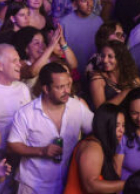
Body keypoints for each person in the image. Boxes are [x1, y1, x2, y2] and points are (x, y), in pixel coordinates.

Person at [7, 62, 95, 193]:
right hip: (33, 187)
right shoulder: (26, 113)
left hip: (66, 185)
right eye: (60, 87)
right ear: (46, 89)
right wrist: (42, 151)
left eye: (67, 85)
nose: (67, 91)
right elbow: (12, 145)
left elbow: (96, 130)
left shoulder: (77, 106)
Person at [65, 104, 126, 194]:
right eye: (117, 126)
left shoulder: (103, 145)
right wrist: (128, 184)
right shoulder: (92, 148)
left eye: (123, 125)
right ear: (105, 125)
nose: (122, 130)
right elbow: (90, 186)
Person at [0, 43, 32, 151]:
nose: (20, 64)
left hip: (21, 151)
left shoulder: (23, 88)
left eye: (19, 60)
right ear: (0, 65)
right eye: (14, 61)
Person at [89, 41, 140, 108]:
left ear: (120, 58)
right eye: (103, 56)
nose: (105, 60)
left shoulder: (132, 77)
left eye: (110, 56)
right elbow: (100, 111)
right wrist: (124, 94)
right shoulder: (97, 80)